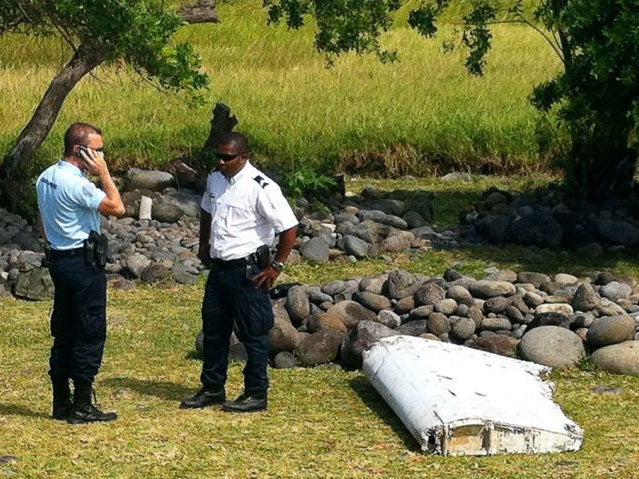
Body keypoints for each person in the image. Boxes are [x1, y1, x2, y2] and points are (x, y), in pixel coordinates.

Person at [181, 132, 298, 413]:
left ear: (244, 156)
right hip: (220, 270)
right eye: (217, 156)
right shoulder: (215, 179)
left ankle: (256, 392)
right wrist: (203, 243)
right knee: (214, 331)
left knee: (254, 334)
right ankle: (212, 387)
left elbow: (289, 227)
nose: (221, 162)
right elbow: (207, 210)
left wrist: (276, 267)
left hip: (248, 271)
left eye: (227, 157)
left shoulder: (261, 186)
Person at [36, 122, 125, 424]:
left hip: (60, 260)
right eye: (97, 151)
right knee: (89, 330)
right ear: (80, 150)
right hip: (83, 264)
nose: (101, 157)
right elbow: (117, 207)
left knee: (64, 329)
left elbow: (44, 221)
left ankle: (61, 400)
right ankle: (83, 403)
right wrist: (103, 173)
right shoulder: (78, 184)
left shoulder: (46, 177)